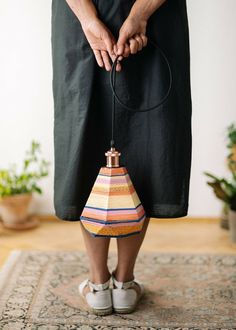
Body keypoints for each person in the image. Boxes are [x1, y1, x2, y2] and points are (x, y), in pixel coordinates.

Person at [51, 0, 192, 315]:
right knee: (148, 139)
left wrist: (89, 19)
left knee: (88, 135)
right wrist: (139, 14)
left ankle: (98, 284)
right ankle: (124, 283)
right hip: (150, 13)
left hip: (85, 15)